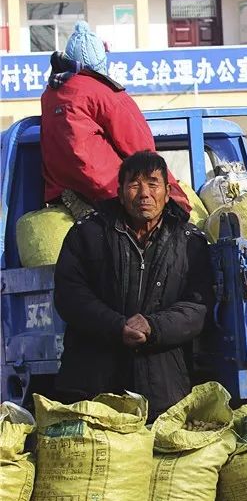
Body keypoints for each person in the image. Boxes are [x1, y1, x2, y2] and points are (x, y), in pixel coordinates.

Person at [53, 151, 212, 422]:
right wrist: (117, 326)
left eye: (153, 183)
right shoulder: (88, 234)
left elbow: (197, 307)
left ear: (167, 191)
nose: (144, 193)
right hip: (94, 387)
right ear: (120, 191)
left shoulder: (189, 241)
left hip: (163, 389)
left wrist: (153, 327)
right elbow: (70, 296)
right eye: (134, 184)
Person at [41, 21, 189, 216]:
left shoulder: (51, 94)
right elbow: (142, 151)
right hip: (105, 190)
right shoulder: (104, 92)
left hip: (61, 189)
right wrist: (177, 199)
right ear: (101, 63)